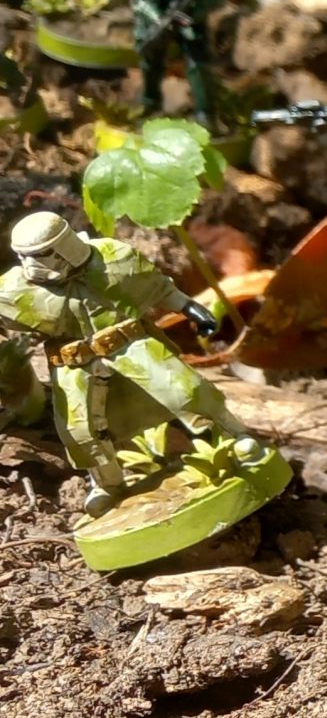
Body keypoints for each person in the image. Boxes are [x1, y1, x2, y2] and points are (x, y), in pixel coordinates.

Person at [0, 213, 266, 513]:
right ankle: (107, 483)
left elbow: (156, 286)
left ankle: (236, 435)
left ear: (64, 245)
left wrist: (189, 307)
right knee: (79, 429)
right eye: (24, 256)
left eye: (40, 254)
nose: (31, 263)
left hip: (128, 344)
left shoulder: (111, 258)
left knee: (184, 390)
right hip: (73, 362)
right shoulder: (13, 288)